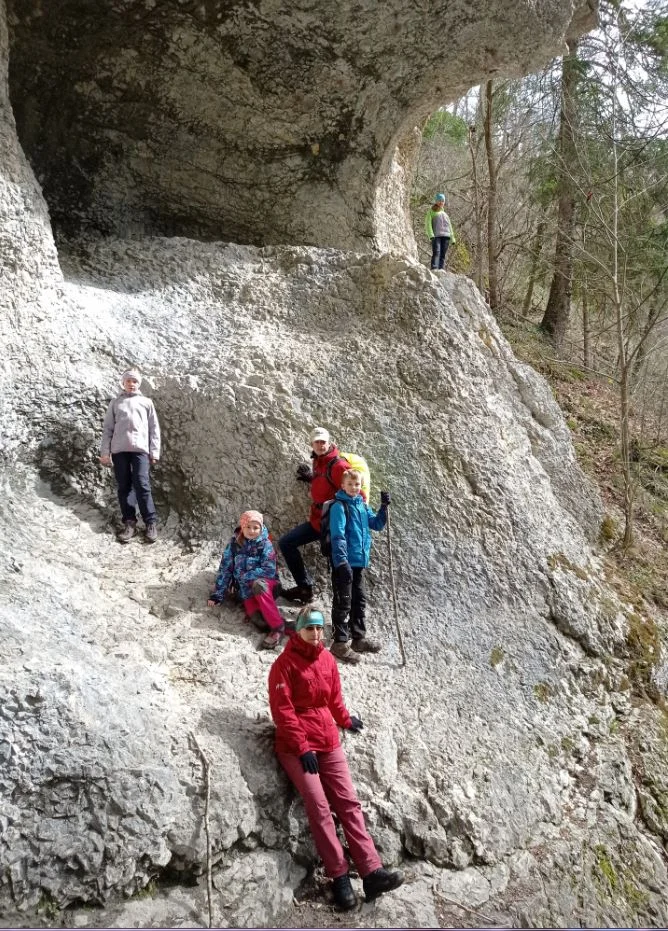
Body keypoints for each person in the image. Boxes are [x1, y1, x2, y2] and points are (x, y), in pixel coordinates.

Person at [268, 605, 404, 910]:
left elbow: (333, 698)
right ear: (299, 630)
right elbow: (283, 711)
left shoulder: (327, 659)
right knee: (319, 807)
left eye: (320, 628)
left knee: (348, 804)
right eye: (310, 628)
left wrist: (344, 719)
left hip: (327, 739)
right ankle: (340, 877)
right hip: (296, 746)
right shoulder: (284, 665)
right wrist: (302, 747)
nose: (316, 635)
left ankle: (371, 872)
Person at [279, 427, 349, 604]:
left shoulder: (339, 465)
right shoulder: (318, 461)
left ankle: (341, 609)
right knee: (286, 542)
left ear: (329, 442)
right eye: (316, 442)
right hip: (318, 521)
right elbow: (326, 483)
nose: (320, 445)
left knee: (337, 567)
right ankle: (304, 588)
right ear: (311, 444)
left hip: (333, 524)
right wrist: (311, 478)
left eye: (323, 441)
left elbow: (357, 493)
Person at [329, 470, 390, 664]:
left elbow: (377, 524)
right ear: (343, 486)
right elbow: (338, 535)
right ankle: (339, 642)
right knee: (343, 600)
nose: (355, 488)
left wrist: (383, 508)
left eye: (358, 485)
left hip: (358, 562)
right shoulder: (339, 506)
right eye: (351, 484)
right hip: (344, 562)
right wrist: (341, 561)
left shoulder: (362, 506)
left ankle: (358, 638)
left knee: (359, 600)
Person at [208, 510, 286, 649]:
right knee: (259, 622)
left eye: (255, 528)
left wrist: (244, 576)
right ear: (242, 527)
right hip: (245, 590)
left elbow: (269, 570)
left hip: (268, 586)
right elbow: (226, 568)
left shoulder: (265, 544)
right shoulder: (234, 544)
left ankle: (278, 628)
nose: (251, 531)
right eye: (248, 527)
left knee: (259, 585)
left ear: (261, 528)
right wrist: (217, 594)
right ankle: (282, 624)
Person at [99, 369, 161, 543]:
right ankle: (129, 522)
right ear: (123, 383)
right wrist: (105, 452)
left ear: (138, 383)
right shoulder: (115, 403)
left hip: (141, 450)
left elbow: (154, 429)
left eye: (134, 381)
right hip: (119, 450)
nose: (131, 384)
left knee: (142, 484)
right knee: (124, 486)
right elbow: (108, 429)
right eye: (128, 381)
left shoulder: (146, 402)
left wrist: (154, 452)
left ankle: (150, 523)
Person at [424, 193, 456, 271]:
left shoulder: (445, 214)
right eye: (439, 200)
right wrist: (430, 234)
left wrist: (452, 238)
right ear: (436, 201)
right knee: (437, 252)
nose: (441, 202)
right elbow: (428, 224)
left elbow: (450, 227)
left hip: (446, 236)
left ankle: (441, 269)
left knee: (442, 254)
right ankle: (434, 268)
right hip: (436, 236)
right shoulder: (431, 211)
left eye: (442, 201)